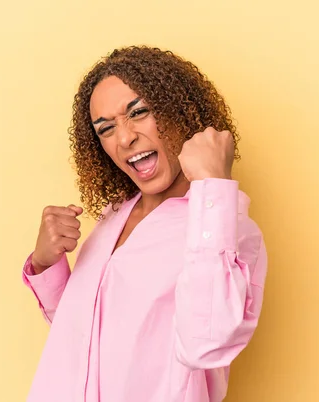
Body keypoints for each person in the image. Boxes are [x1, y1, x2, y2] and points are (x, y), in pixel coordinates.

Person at [21, 46, 267, 402]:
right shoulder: (113, 217)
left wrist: (213, 187)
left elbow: (205, 342)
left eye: (138, 112)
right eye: (106, 129)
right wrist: (46, 263)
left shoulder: (229, 227)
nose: (124, 138)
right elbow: (84, 337)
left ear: (180, 111)